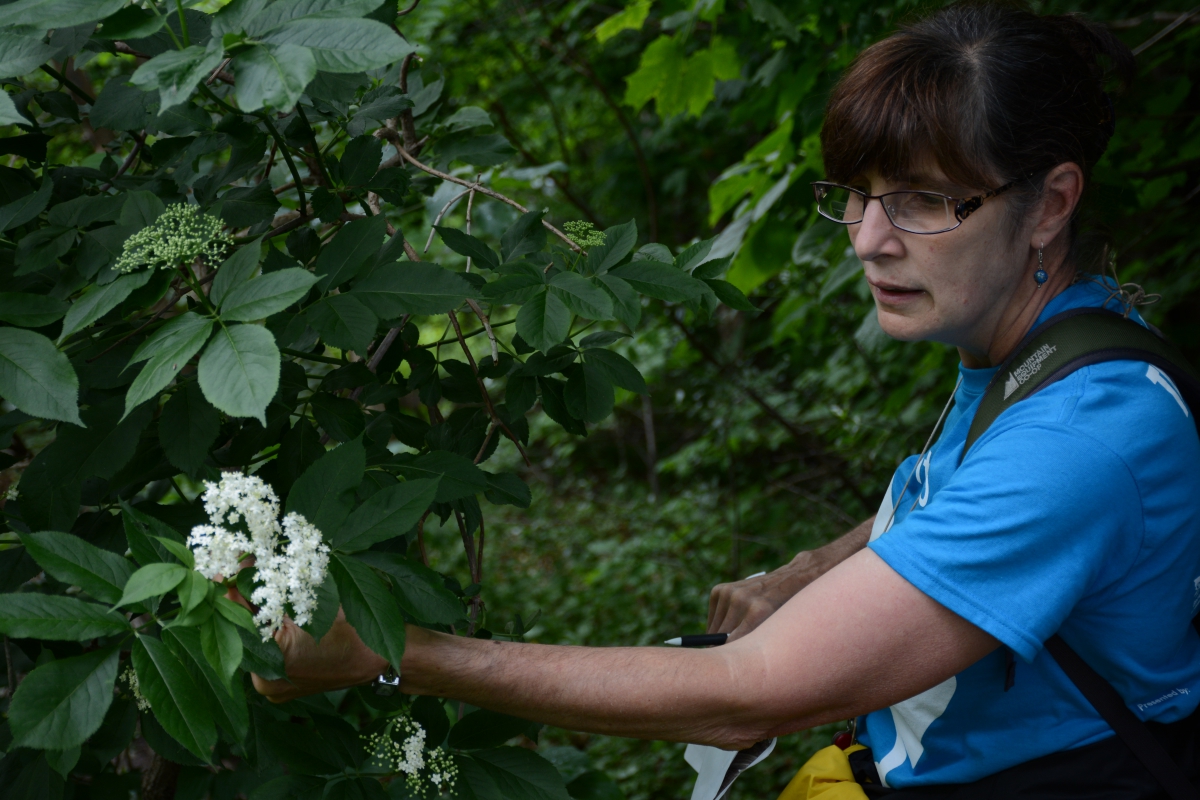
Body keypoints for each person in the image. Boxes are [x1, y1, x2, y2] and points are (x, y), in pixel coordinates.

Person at [253, 3, 1200, 795]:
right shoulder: (1035, 350)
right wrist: (804, 572)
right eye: (858, 195)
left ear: (1049, 203)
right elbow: (953, 501)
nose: (868, 240)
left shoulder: (1083, 436)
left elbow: (753, 689)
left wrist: (390, 651)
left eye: (920, 199)